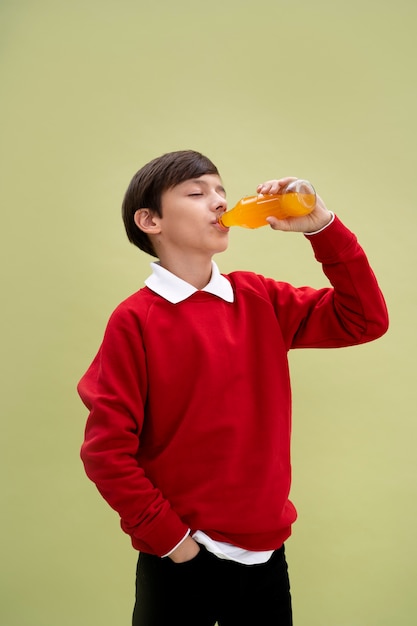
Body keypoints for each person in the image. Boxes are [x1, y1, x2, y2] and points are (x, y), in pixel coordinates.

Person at [78, 150, 389, 626]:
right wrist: (177, 546)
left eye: (221, 190)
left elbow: (365, 319)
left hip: (267, 559)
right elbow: (106, 452)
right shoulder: (134, 321)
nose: (219, 203)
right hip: (183, 560)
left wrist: (321, 226)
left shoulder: (261, 298)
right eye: (197, 193)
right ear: (150, 220)